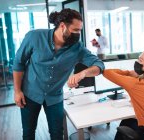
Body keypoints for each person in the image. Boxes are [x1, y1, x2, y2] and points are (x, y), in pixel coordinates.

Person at [13, 8, 104, 140]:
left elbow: (99, 65)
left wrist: (83, 73)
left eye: (80, 30)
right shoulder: (35, 37)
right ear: (62, 26)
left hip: (54, 97)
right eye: (75, 30)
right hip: (30, 93)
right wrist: (17, 91)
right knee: (28, 132)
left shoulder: (77, 47)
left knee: (57, 134)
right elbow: (18, 63)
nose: (78, 34)